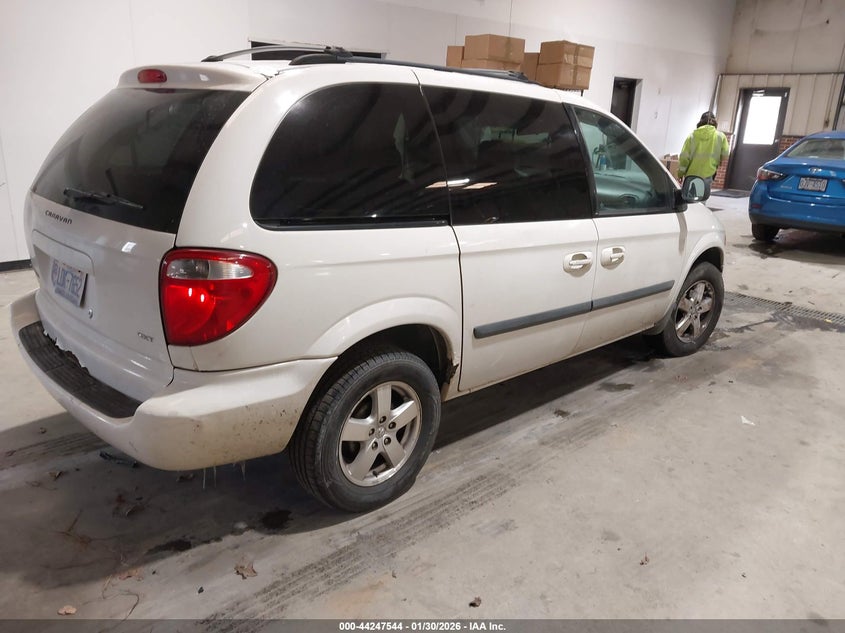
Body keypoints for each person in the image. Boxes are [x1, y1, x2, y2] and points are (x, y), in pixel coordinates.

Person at [677, 111, 729, 186]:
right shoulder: (721, 137)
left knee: (689, 196)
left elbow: (684, 158)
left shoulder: (692, 136)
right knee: (702, 196)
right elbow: (725, 155)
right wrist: (717, 162)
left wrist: (680, 174)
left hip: (691, 175)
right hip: (709, 174)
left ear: (701, 121)